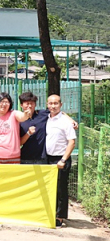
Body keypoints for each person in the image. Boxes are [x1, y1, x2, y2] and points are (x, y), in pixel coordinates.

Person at [45, 94, 77, 227]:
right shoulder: (46, 118)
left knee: (61, 188)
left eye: (56, 103)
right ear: (47, 104)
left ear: (61, 104)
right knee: (50, 187)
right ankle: (50, 212)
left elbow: (72, 142)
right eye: (50, 103)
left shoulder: (65, 122)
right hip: (48, 158)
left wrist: (63, 159)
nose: (53, 106)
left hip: (61, 159)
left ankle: (60, 216)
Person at [0, 92, 32, 164]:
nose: (4, 104)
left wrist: (26, 115)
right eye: (2, 101)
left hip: (13, 157)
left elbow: (22, 117)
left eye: (6, 102)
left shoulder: (13, 114)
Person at [18, 91, 50, 164]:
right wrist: (28, 133)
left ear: (35, 104)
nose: (29, 106)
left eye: (31, 103)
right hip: (25, 159)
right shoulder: (19, 120)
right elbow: (19, 142)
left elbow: (58, 113)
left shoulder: (43, 114)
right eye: (27, 103)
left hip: (42, 158)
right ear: (21, 105)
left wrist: (71, 120)